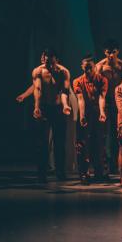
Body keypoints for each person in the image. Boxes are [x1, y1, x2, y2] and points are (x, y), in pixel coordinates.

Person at [32, 48, 71, 182]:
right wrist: (36, 107)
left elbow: (65, 91)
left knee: (60, 143)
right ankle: (41, 173)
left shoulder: (63, 72)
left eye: (51, 61)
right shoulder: (38, 71)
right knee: (42, 142)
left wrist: (65, 105)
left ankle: (60, 172)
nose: (48, 65)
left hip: (58, 109)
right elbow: (37, 89)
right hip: (44, 108)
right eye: (46, 61)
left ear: (56, 60)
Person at [73, 54, 108, 185]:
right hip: (85, 112)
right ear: (82, 67)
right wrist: (82, 116)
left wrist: (102, 112)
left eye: (90, 68)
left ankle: (99, 172)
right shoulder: (77, 81)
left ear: (95, 67)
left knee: (98, 142)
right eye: (86, 68)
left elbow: (102, 97)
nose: (88, 70)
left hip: (98, 113)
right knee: (82, 144)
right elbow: (80, 99)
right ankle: (84, 173)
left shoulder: (102, 79)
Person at [96, 39, 122, 174]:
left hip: (118, 102)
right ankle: (104, 165)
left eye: (113, 52)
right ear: (104, 52)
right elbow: (97, 87)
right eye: (108, 52)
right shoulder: (100, 67)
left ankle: (115, 164)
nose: (111, 55)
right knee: (103, 135)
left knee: (117, 135)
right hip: (106, 102)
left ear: (117, 51)